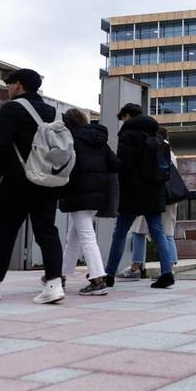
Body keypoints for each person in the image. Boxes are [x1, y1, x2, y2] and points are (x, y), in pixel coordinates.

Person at [0, 69, 66, 303]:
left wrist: (1, 170)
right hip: (47, 181)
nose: (7, 88)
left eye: (9, 84)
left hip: (18, 181)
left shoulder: (12, 108)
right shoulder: (50, 112)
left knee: (6, 232)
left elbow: (0, 145)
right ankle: (54, 285)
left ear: (19, 85)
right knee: (47, 231)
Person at [104, 103, 175, 289]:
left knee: (120, 232)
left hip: (133, 192)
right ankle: (167, 273)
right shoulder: (156, 135)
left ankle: (109, 274)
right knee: (158, 232)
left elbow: (123, 165)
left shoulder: (128, 135)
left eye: (123, 118)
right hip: (155, 190)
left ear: (127, 116)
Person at [59, 108, 120, 295]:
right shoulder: (100, 141)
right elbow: (116, 164)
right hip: (98, 196)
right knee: (74, 238)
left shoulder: (72, 140)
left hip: (78, 195)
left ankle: (97, 280)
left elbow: (68, 168)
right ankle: (60, 275)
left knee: (86, 237)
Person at [116, 126, 179, 281]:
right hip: (167, 198)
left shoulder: (158, 148)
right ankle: (168, 267)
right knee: (165, 232)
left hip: (153, 196)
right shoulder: (170, 151)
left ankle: (137, 267)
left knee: (139, 231)